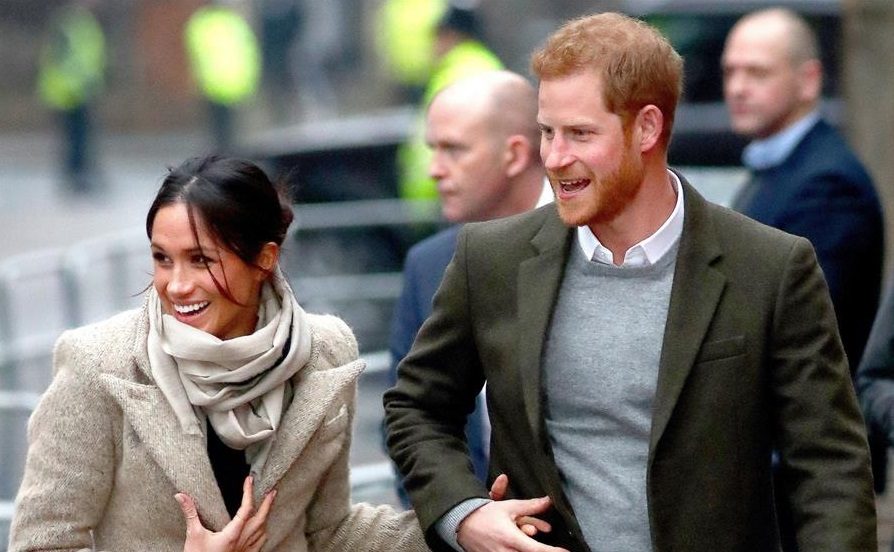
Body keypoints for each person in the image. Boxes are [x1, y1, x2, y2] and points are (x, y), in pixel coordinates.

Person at [384, 11, 876, 552]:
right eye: (546, 132)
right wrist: (464, 514)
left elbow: (828, 467)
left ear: (646, 127)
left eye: (580, 134)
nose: (554, 157)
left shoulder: (771, 267)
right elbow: (416, 408)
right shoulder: (491, 258)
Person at [9, 155, 427, 551]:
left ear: (264, 260)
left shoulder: (325, 350)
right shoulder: (98, 364)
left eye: (200, 260)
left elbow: (329, 530)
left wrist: (462, 524)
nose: (176, 285)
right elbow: (41, 542)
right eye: (162, 259)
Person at [387, 69, 550, 505]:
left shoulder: (592, 241)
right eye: (432, 149)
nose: (434, 170)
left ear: (515, 154)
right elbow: (410, 421)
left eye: (454, 150)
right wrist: (457, 521)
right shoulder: (428, 266)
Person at [723, 8, 884, 376]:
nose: (737, 88)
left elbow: (805, 324)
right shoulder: (775, 165)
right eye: (730, 71)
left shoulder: (828, 185)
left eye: (757, 72)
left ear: (808, 80)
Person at [396, 3, 503, 203]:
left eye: (436, 37)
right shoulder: (465, 66)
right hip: (453, 189)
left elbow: (461, 139)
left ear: (450, 35)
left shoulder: (461, 71)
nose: (432, 46)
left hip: (452, 192)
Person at [37, 0, 106, 195]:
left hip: (79, 90)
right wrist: (80, 82)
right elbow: (62, 59)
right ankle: (76, 177)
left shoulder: (81, 22)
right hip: (68, 92)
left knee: (80, 137)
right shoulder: (70, 24)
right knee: (75, 137)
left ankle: (80, 174)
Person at [184, 4, 261, 153]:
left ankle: (221, 151)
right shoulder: (234, 22)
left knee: (218, 126)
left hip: (213, 83)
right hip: (236, 81)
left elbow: (195, 54)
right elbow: (249, 50)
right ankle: (230, 151)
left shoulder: (201, 23)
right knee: (231, 125)